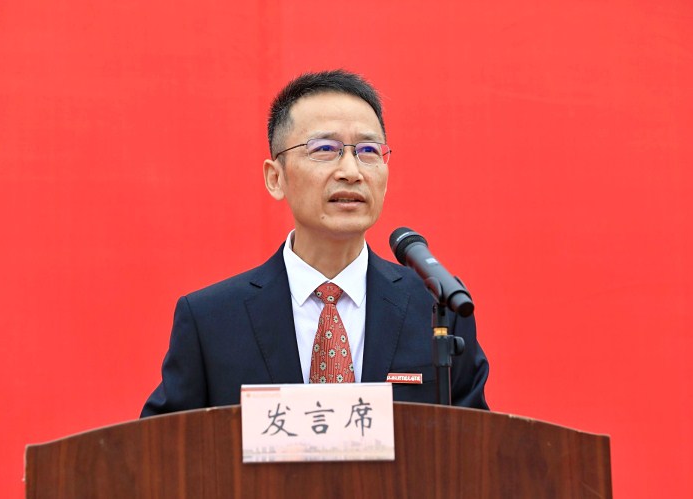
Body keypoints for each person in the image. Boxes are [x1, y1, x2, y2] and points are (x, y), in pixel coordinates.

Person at [141, 70, 488, 417]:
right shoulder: (211, 321)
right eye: (325, 149)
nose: (351, 171)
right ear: (276, 178)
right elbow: (166, 444)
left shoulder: (437, 308)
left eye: (368, 151)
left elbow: (477, 442)